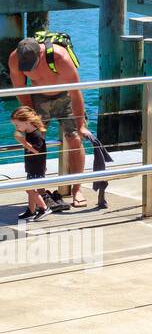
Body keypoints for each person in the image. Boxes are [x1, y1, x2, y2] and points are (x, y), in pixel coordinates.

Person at [7, 35, 92, 207]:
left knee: (74, 138)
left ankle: (77, 189)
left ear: (40, 54)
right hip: (38, 96)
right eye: (26, 68)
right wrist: (31, 116)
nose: (29, 72)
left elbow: (76, 93)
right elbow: (20, 89)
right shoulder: (14, 59)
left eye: (32, 66)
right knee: (34, 140)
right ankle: (40, 191)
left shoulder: (59, 57)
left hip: (66, 96)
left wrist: (81, 124)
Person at [12, 106, 50, 220]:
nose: (16, 128)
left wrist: (22, 141)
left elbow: (36, 150)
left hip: (37, 167)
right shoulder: (29, 132)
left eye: (17, 125)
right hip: (32, 166)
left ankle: (44, 208)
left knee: (29, 188)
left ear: (27, 122)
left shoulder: (36, 135)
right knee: (31, 189)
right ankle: (31, 210)